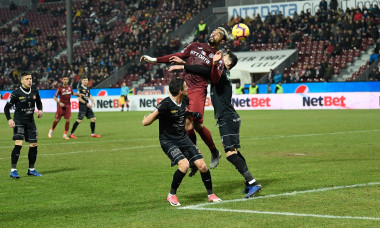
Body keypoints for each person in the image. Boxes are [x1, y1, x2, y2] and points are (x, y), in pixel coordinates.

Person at [168, 51, 262, 198]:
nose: (220, 58)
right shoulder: (220, 74)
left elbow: (204, 70)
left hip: (227, 118)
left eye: (223, 57)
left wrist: (184, 65)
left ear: (228, 63)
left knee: (230, 154)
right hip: (228, 117)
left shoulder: (222, 73)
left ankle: (253, 182)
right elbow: (204, 71)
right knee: (234, 152)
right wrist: (183, 65)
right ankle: (249, 182)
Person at [140, 27, 228, 171]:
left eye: (218, 34)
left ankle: (213, 151)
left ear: (222, 41)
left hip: (198, 89)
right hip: (185, 88)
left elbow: (213, 78)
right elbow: (176, 55)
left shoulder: (217, 57)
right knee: (186, 125)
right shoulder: (194, 46)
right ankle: (193, 156)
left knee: (197, 125)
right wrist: (154, 60)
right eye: (214, 32)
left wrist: (210, 64)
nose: (214, 34)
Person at [142, 77, 222, 206]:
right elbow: (145, 122)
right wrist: (153, 115)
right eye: (185, 87)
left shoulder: (185, 100)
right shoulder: (165, 104)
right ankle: (171, 195)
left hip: (183, 138)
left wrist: (192, 115)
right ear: (180, 91)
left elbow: (183, 113)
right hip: (168, 141)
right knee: (184, 165)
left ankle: (211, 194)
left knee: (202, 166)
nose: (187, 89)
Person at [4, 72, 43, 178]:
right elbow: (6, 108)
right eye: (27, 79)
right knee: (18, 143)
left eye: (30, 78)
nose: (29, 80)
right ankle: (13, 170)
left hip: (30, 122)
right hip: (19, 122)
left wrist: (40, 110)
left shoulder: (35, 91)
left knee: (34, 145)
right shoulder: (16, 93)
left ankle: (31, 169)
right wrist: (9, 119)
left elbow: (39, 102)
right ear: (22, 81)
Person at [48, 75, 81, 140]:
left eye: (66, 79)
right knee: (57, 120)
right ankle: (51, 131)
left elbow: (72, 93)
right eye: (64, 79)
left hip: (68, 106)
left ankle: (65, 134)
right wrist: (59, 102)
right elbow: (54, 97)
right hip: (61, 107)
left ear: (68, 80)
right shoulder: (59, 88)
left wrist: (78, 94)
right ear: (62, 80)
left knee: (68, 120)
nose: (65, 80)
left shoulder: (70, 87)